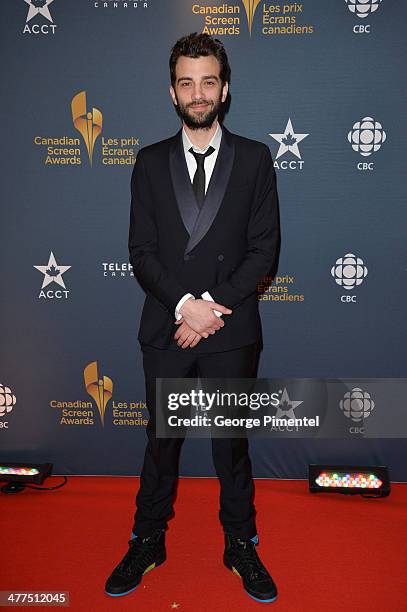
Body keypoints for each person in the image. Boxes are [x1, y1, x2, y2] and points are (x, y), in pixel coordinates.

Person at [105, 32, 280, 604]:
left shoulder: (254, 158)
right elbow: (142, 251)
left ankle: (241, 544)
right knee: (163, 442)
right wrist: (186, 307)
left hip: (230, 331)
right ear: (172, 91)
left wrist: (211, 312)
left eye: (208, 81)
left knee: (231, 444)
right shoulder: (149, 162)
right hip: (167, 326)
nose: (198, 93)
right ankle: (147, 539)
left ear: (224, 88)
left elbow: (263, 251)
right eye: (187, 82)